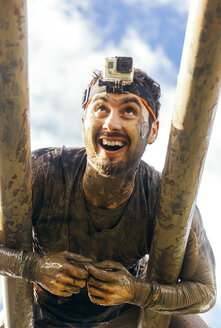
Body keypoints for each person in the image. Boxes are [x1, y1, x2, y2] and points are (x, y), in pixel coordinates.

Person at [0, 58, 216, 328]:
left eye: (129, 111)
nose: (111, 124)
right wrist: (34, 267)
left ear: (153, 131)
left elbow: (205, 292)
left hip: (122, 316)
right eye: (101, 109)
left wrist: (137, 291)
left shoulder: (168, 201)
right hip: (43, 313)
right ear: (84, 122)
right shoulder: (41, 173)